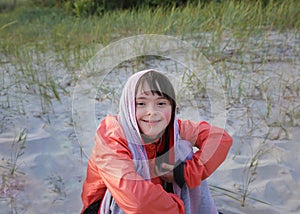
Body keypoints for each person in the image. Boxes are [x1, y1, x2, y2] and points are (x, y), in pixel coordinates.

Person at [81, 69, 233, 214]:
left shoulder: (174, 127)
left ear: (172, 108)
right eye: (141, 103)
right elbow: (137, 201)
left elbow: (220, 139)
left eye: (161, 103)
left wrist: (183, 173)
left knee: (183, 148)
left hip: (161, 198)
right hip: (111, 206)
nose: (152, 112)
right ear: (127, 107)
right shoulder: (111, 138)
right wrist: (179, 209)